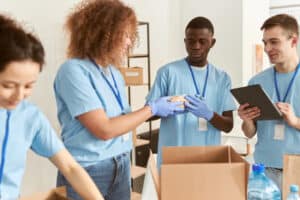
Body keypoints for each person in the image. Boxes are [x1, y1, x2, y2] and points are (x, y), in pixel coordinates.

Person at [53, 0, 181, 199]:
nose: (130, 43)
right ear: (105, 33)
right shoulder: (73, 71)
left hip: (120, 167)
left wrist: (160, 108)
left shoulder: (114, 73)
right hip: (88, 170)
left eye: (132, 36)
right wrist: (152, 109)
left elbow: (124, 120)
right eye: (126, 35)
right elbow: (104, 129)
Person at [0, 14, 104, 199]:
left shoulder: (29, 117)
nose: (19, 96)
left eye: (28, 86)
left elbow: (70, 167)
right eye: (8, 86)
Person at [146, 16, 236, 167]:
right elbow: (146, 115)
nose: (196, 46)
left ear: (212, 43)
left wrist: (209, 114)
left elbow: (228, 126)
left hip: (208, 160)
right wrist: (160, 109)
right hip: (173, 160)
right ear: (185, 41)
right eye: (191, 41)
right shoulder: (167, 72)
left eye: (202, 41)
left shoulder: (222, 78)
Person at [238, 14, 300, 190]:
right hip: (263, 171)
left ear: (293, 41)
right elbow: (249, 133)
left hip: (297, 168)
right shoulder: (256, 82)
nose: (267, 48)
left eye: (274, 42)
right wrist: (247, 119)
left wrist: (295, 121)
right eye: (265, 43)